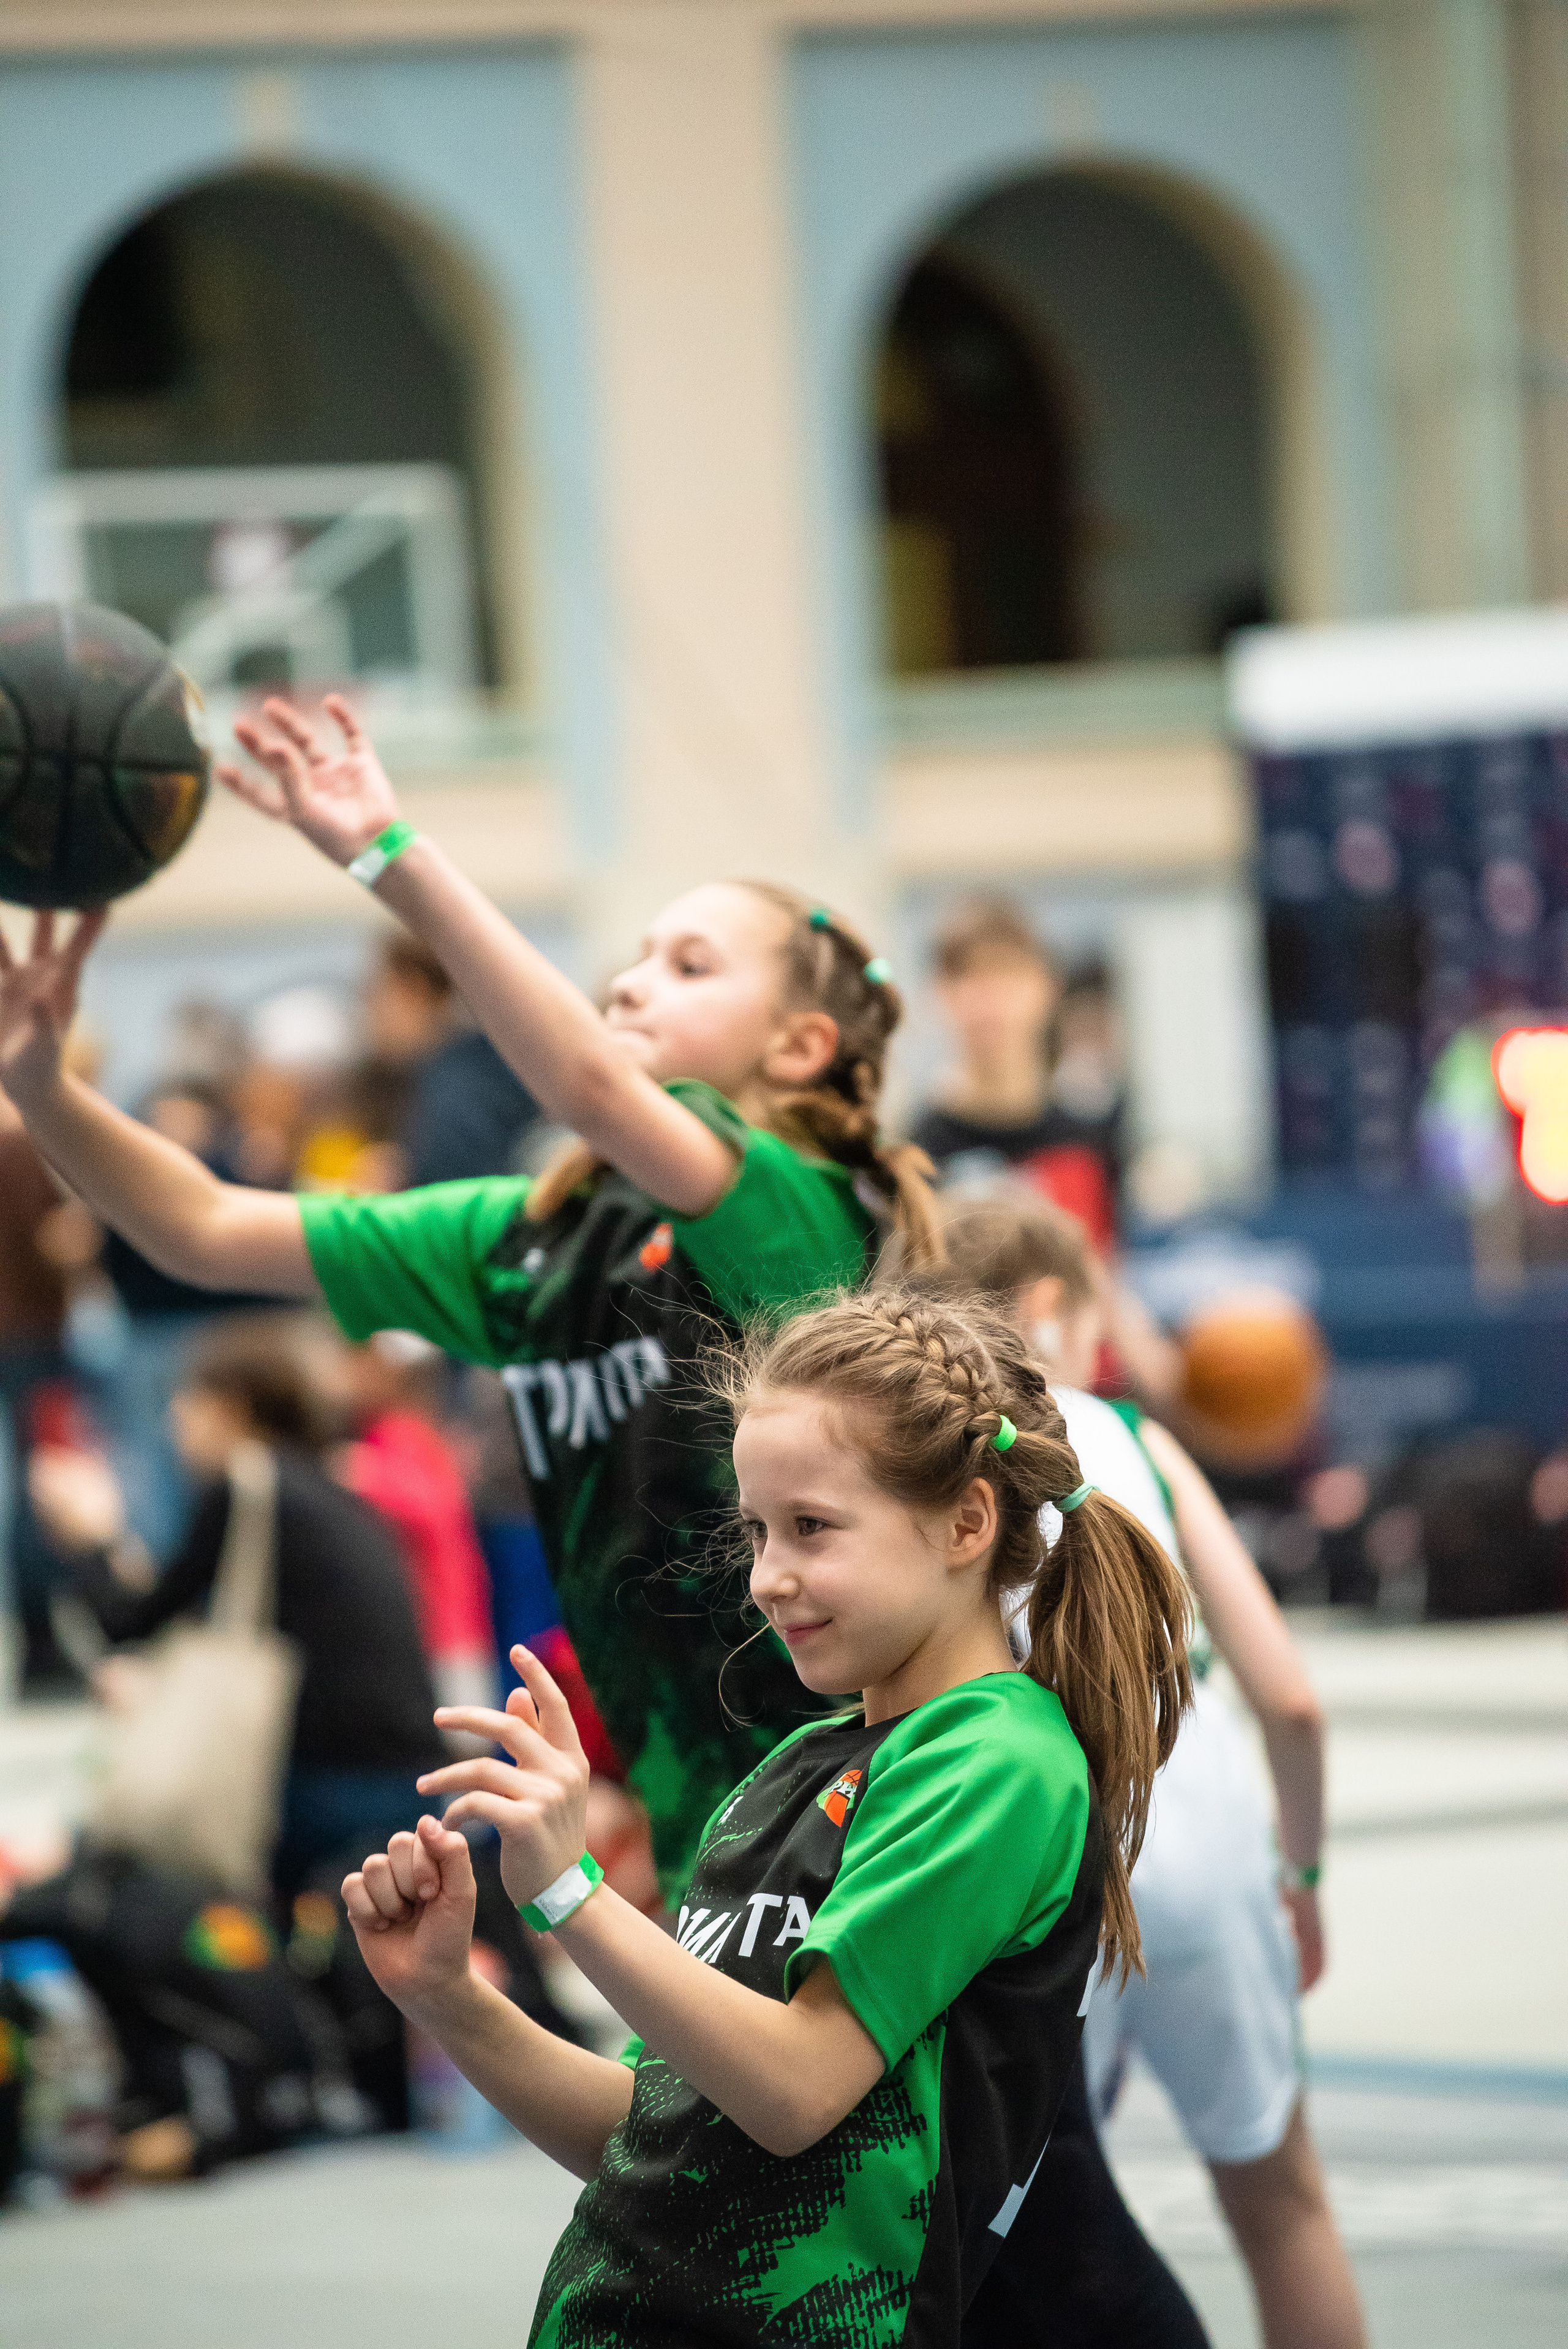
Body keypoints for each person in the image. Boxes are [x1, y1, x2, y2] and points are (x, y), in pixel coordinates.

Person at [0, 695, 937, 1896]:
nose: (635, 982)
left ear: (801, 1046)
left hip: (853, 1795)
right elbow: (202, 1226)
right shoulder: (534, 1236)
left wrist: (384, 850)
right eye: (637, 957)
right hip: (695, 1808)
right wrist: (41, 1087)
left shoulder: (797, 1208)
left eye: (689, 965)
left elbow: (595, 1089)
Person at [341, 1287, 1192, 2346]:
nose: (768, 1575)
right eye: (756, 1527)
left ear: (968, 1520)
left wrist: (572, 1893)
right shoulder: (796, 1763)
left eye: (813, 1527)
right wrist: (450, 1996)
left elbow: (795, 2087)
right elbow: (666, 2131)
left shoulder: (998, 1756)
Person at [903, 1195, 1366, 2349]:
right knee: (1284, 2204)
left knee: (1035, 2234)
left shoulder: (939, 1471)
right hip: (1209, 1849)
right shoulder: (1140, 1442)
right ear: (1058, 1307)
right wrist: (1300, 1865)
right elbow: (1292, 1699)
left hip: (1057, 1865)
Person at [28, 1312, 444, 1901]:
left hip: (329, 1790)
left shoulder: (246, 1484)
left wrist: (91, 1538)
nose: (176, 1421)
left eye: (187, 1402)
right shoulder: (323, 1487)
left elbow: (128, 1622)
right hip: (399, 1781)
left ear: (231, 1406)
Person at [909, 896, 1117, 1245]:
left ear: (1048, 988)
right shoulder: (917, 1153)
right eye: (968, 976)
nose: (990, 996)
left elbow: (1106, 1271)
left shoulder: (1091, 1139)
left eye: (1008, 973)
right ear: (939, 994)